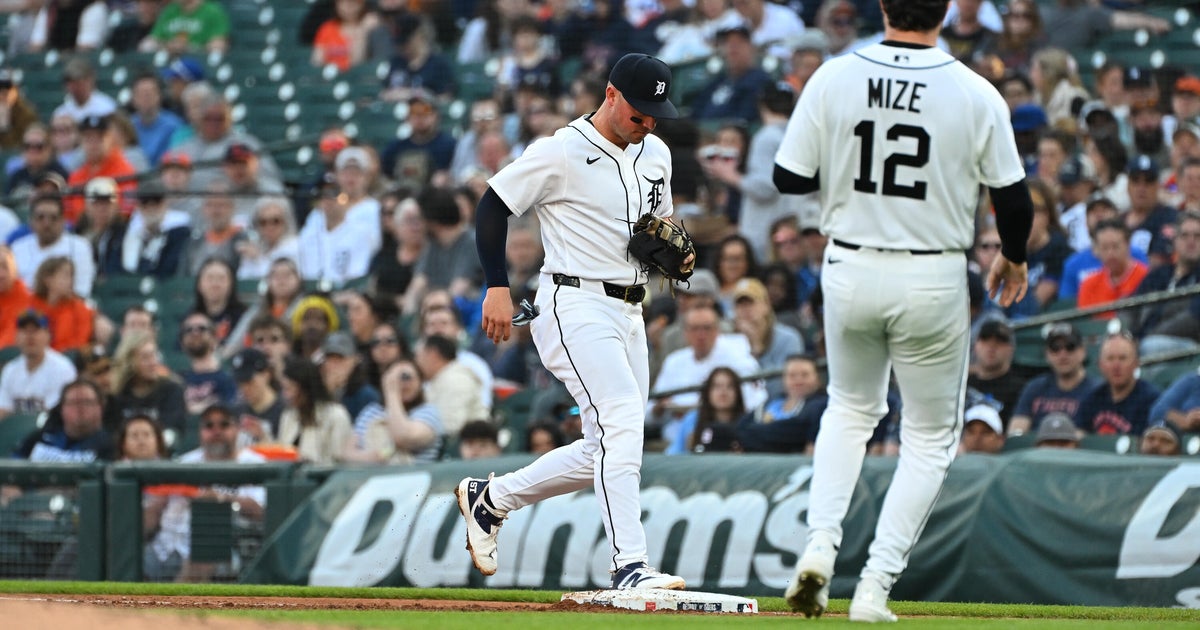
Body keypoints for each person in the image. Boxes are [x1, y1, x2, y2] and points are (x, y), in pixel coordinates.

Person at [772, 0, 1033, 621]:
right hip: (931, 270)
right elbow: (1014, 201)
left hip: (850, 264)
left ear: (885, 5)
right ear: (943, 12)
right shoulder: (974, 91)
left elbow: (788, 178)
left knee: (850, 408)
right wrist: (1015, 256)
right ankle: (873, 588)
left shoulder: (834, 74)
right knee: (925, 437)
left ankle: (818, 549)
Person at [457, 53, 691, 591]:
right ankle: (630, 566)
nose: (649, 122)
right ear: (611, 95)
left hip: (631, 308)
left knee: (607, 446)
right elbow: (493, 205)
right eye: (639, 112)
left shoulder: (655, 151)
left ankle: (490, 500)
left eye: (656, 112)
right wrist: (497, 285)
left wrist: (670, 254)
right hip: (574, 303)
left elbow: (659, 227)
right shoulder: (562, 150)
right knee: (623, 421)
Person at [1008, 323, 1098, 436]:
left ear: (1083, 351)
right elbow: (1016, 433)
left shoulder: (1097, 391)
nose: (1063, 354)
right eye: (1055, 348)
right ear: (1047, 354)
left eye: (1070, 347)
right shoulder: (1034, 388)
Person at [1075, 332, 1160, 436]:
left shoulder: (1150, 400)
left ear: (1136, 363)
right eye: (1110, 359)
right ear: (1100, 365)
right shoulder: (1092, 399)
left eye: (1122, 358)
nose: (1116, 366)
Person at [0, 309, 79, 420]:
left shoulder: (63, 369)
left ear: (48, 335)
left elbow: (54, 415)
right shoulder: (10, 370)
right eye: (24, 331)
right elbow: (3, 410)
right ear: (16, 337)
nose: (30, 336)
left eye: (35, 330)